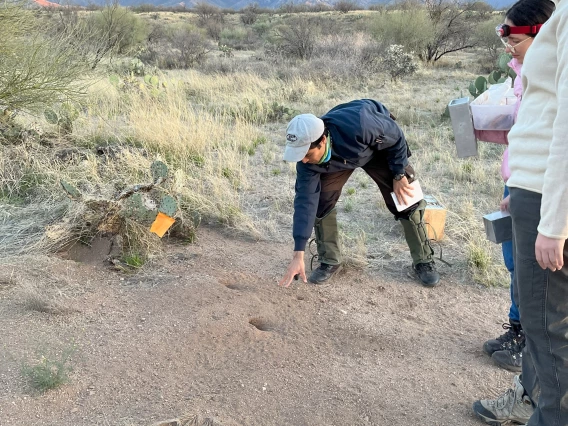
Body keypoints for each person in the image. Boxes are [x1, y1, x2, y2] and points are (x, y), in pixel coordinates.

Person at [473, 0, 568, 425]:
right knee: (545, 322)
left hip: (550, 204)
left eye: (511, 34)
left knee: (548, 327)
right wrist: (523, 186)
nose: (507, 42)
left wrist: (555, 221)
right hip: (536, 190)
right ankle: (531, 400)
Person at [277, 99, 440, 288]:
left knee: (407, 197)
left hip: (376, 148)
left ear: (322, 141)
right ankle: (330, 260)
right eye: (299, 156)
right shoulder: (307, 164)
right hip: (338, 159)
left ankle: (423, 260)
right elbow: (305, 204)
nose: (303, 161)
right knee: (321, 202)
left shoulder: (362, 125)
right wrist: (299, 253)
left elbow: (395, 136)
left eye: (306, 154)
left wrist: (399, 173)